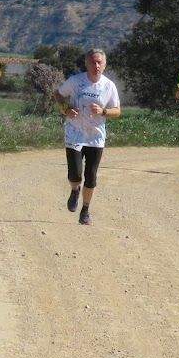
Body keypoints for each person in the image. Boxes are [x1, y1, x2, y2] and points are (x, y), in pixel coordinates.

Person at [54, 48, 120, 225]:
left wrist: (104, 111)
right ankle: (75, 190)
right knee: (75, 174)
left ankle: (85, 210)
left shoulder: (109, 86)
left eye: (99, 62)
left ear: (104, 64)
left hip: (96, 137)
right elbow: (58, 95)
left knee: (91, 176)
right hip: (75, 133)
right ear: (86, 63)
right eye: (92, 62)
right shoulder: (76, 81)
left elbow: (117, 111)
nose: (96, 65)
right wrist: (66, 110)